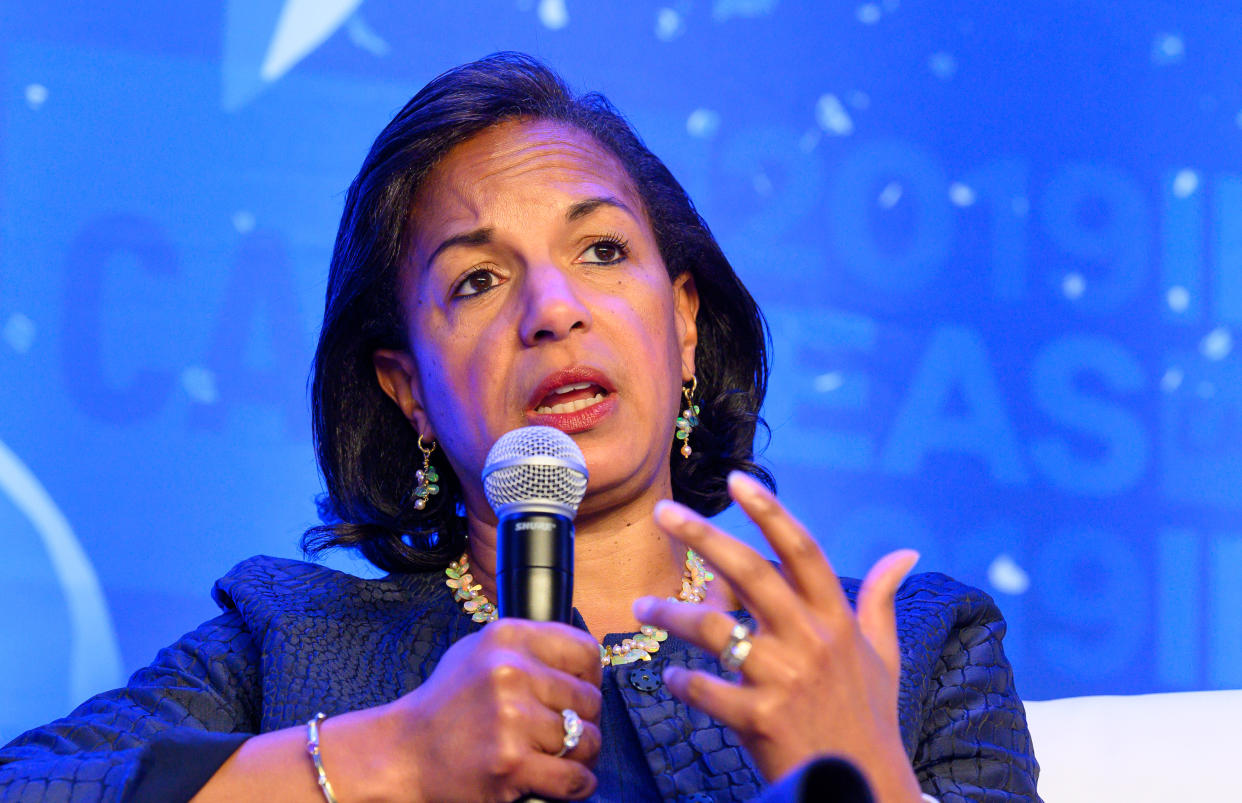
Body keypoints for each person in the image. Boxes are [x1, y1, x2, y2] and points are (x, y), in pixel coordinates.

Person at [0, 53, 1040, 802]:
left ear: (682, 321)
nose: (552, 307)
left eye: (600, 251)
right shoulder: (286, 642)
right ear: (407, 387)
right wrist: (391, 758)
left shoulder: (906, 646)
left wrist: (870, 777)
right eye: (479, 278)